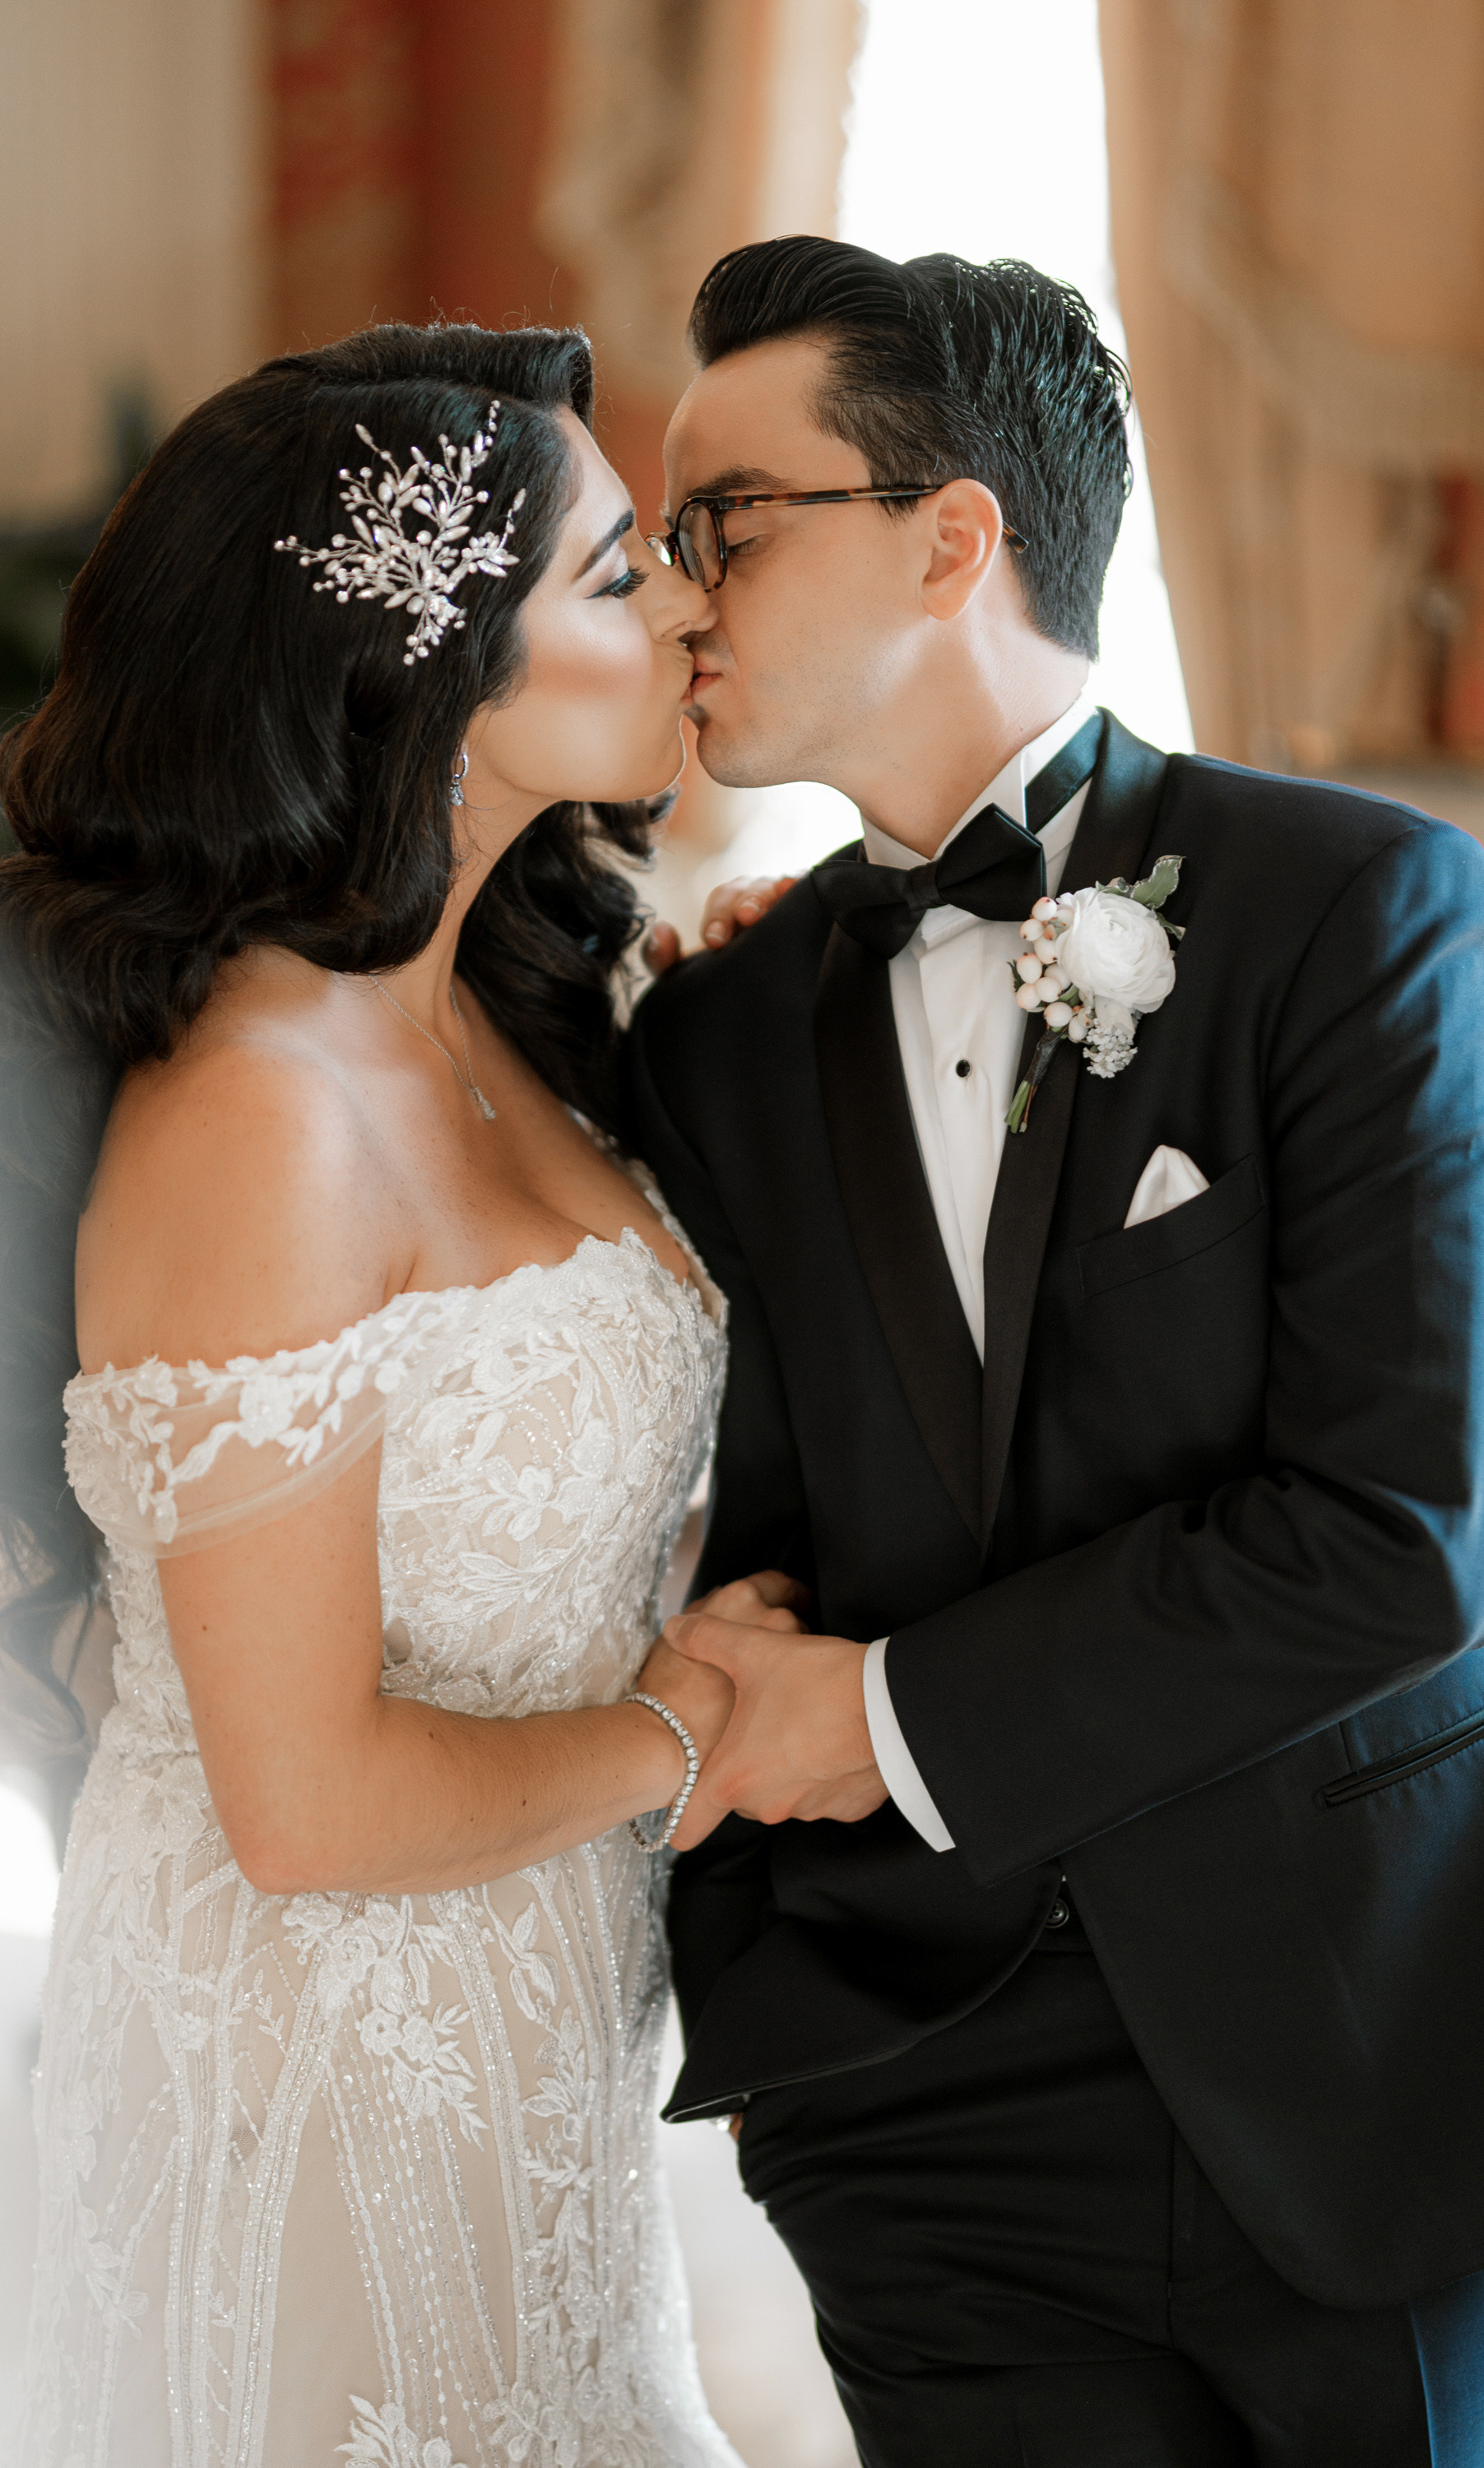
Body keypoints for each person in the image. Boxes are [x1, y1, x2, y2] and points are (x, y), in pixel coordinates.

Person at [0, 320, 789, 2467]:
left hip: (540, 2009)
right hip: (322, 2050)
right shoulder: (264, 1114)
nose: (684, 599)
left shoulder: (515, 1003)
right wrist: (687, 1721)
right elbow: (304, 1809)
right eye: (610, 574)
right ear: (417, 682)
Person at [627, 236, 1484, 2467]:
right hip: (908, 2108)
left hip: (1343, 2045)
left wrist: (886, 1716)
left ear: (948, 535)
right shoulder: (703, 1034)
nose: (672, 587)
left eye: (725, 517)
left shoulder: (1354, 909)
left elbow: (1398, 1535)